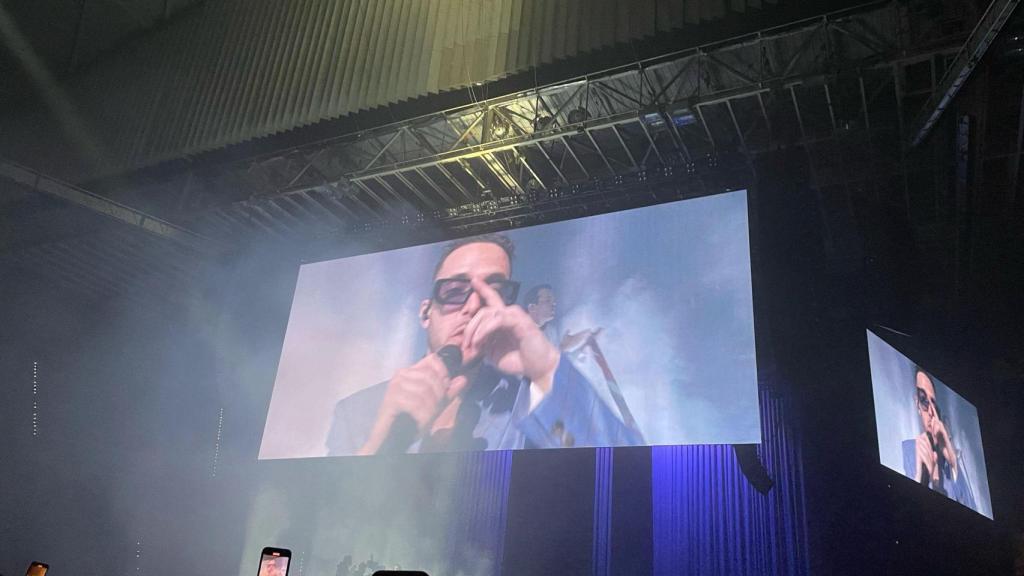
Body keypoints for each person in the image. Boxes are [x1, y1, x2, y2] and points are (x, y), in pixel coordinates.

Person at [326, 234, 642, 455]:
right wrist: (379, 445)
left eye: (494, 290)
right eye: (454, 290)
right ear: (425, 312)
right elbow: (323, 525)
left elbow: (625, 476)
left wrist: (545, 367)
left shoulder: (528, 405)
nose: (473, 305)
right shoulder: (356, 412)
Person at [901, 367, 975, 509]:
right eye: (924, 401)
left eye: (933, 402)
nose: (930, 411)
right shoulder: (909, 450)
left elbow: (972, 510)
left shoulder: (949, 462)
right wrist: (919, 478)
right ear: (917, 404)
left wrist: (953, 462)